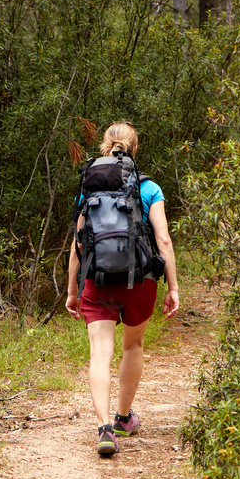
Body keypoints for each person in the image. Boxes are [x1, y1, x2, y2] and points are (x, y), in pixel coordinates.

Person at [66, 120, 180, 456]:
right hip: (140, 279)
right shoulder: (149, 188)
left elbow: (78, 244)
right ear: (135, 148)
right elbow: (163, 240)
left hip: (98, 280)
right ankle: (123, 418)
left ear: (105, 145)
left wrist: (72, 291)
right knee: (133, 345)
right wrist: (173, 287)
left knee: (100, 353)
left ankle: (103, 430)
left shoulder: (89, 188)